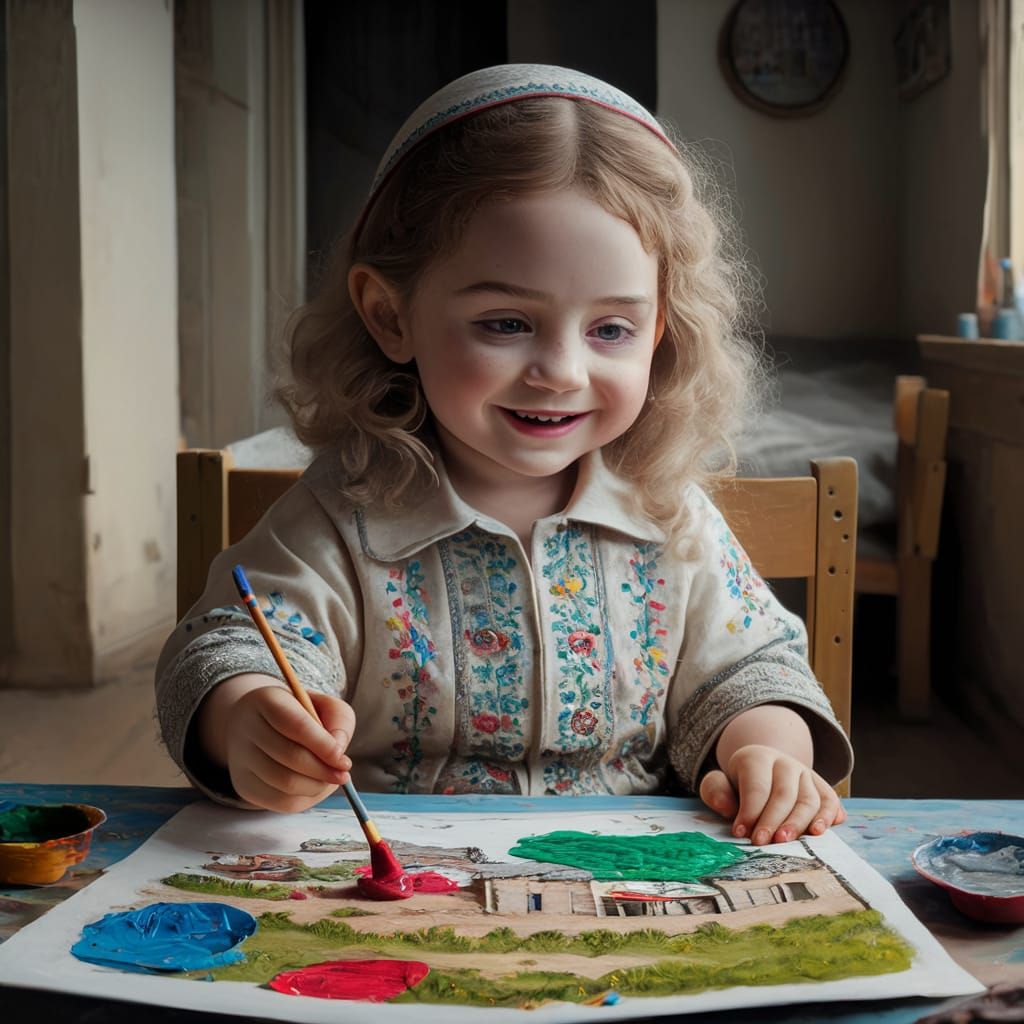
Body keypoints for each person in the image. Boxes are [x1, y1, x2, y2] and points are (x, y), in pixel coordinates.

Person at [157, 64, 853, 846]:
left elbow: (746, 673)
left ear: (659, 330)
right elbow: (228, 645)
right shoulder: (342, 516)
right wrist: (247, 718)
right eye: (505, 323)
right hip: (394, 893)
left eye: (611, 330)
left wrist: (768, 752)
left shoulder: (667, 514)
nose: (562, 370)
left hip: (630, 884)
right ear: (391, 316)